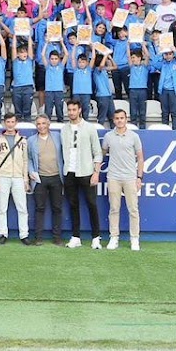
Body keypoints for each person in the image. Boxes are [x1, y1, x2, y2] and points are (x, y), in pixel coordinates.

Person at [60, 99, 103, 249]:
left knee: (92, 204)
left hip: (86, 171)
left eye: (74, 110)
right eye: (69, 110)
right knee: (73, 205)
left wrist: (96, 172)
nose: (71, 112)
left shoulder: (90, 128)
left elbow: (97, 152)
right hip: (69, 172)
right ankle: (76, 236)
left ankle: (96, 237)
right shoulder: (64, 129)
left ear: (79, 110)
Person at [100, 108, 144, 252]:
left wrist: (139, 177)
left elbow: (140, 157)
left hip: (130, 177)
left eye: (122, 118)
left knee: (133, 209)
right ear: (113, 120)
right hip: (113, 177)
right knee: (114, 208)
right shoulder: (108, 136)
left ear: (126, 119)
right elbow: (103, 153)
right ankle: (114, 237)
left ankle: (135, 239)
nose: (119, 120)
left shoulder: (134, 137)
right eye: (117, 118)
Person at [0, 113, 31, 246]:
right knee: (2, 208)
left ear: (16, 123)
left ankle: (24, 235)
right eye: (8, 122)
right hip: (2, 176)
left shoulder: (23, 140)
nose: (10, 124)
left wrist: (26, 179)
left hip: (18, 177)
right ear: (4, 123)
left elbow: (25, 161)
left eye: (12, 122)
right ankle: (3, 234)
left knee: (22, 208)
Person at [24, 114, 63, 247]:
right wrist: (31, 172)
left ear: (48, 124)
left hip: (56, 177)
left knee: (57, 208)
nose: (41, 126)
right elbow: (28, 158)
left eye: (43, 123)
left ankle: (57, 237)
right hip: (39, 179)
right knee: (39, 208)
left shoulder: (57, 137)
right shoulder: (31, 140)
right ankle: (38, 237)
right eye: (38, 124)